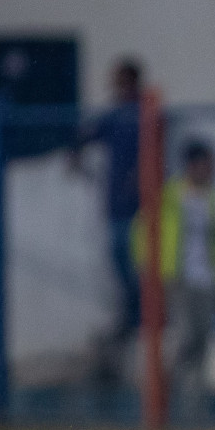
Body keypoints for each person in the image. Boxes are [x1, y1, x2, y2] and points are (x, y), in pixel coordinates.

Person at [137, 139, 215, 424]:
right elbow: (143, 232)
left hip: (206, 280)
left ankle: (194, 412)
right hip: (178, 278)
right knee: (186, 340)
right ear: (193, 165)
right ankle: (160, 396)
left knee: (200, 345)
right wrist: (150, 271)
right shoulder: (171, 195)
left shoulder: (211, 197)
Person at [78, 58, 145, 340]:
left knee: (139, 260)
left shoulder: (144, 113)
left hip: (141, 207)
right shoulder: (114, 115)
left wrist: (138, 177)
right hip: (117, 204)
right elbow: (86, 133)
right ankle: (132, 313)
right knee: (120, 257)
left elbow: (154, 151)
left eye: (119, 81)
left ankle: (139, 313)